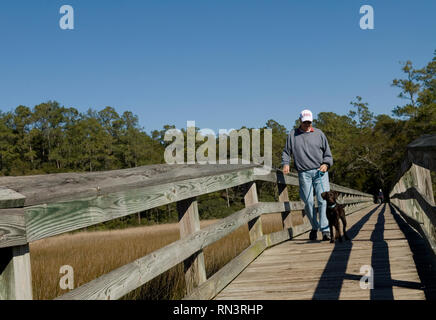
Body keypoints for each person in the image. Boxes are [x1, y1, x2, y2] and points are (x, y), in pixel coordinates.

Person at [282, 109, 333, 241]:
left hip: (320, 172)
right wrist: (286, 163)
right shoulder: (292, 135)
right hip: (304, 173)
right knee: (308, 202)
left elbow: (328, 153)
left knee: (323, 201)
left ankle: (325, 230)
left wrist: (326, 164)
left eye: (309, 122)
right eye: (305, 122)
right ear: (300, 121)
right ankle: (315, 227)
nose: (307, 124)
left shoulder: (319, 134)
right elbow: (286, 152)